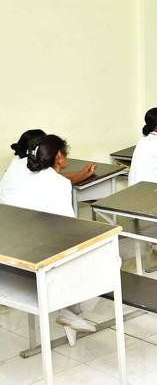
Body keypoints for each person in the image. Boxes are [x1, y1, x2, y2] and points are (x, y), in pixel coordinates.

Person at [7, 135, 99, 344]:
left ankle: (72, 312)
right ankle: (73, 311)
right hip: (43, 254)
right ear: (59, 156)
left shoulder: (25, 178)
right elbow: (69, 227)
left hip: (20, 247)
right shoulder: (58, 184)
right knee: (108, 258)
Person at [1, 130, 97, 204]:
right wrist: (83, 174)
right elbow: (58, 181)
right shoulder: (30, 164)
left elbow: (55, 178)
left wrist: (81, 173)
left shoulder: (18, 160)